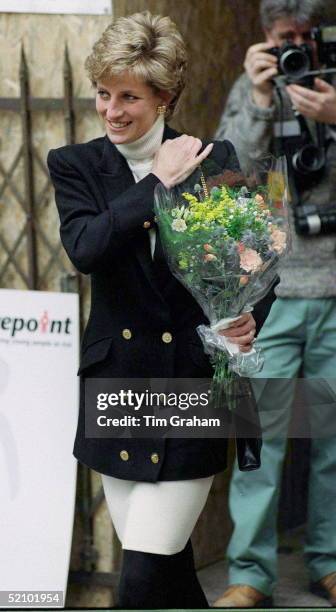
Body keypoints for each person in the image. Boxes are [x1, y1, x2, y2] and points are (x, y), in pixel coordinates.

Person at [47, 11, 267, 609]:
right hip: (118, 386)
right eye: (103, 94)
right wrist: (155, 187)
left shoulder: (215, 157)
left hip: (190, 385)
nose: (112, 110)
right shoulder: (76, 165)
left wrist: (247, 318)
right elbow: (86, 249)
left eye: (130, 97)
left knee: (141, 577)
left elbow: (251, 262)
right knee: (167, 572)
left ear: (164, 97)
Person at [214, 0, 336, 607]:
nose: (297, 47)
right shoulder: (251, 85)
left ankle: (330, 560)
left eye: (307, 37)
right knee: (260, 438)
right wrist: (261, 100)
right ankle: (250, 573)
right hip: (274, 294)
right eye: (285, 37)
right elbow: (226, 175)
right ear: (266, 37)